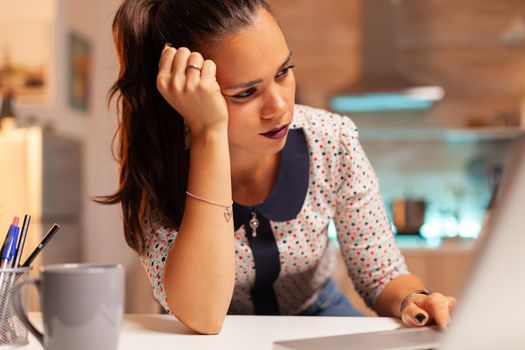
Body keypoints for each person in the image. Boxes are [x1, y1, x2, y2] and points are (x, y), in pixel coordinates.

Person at [101, 0, 456, 334]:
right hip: (207, 333)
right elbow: (204, 317)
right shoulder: (161, 163)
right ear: (187, 94)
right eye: (244, 93)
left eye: (283, 71)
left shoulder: (333, 141)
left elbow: (382, 275)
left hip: (318, 313)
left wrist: (415, 300)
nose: (280, 106)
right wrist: (208, 131)